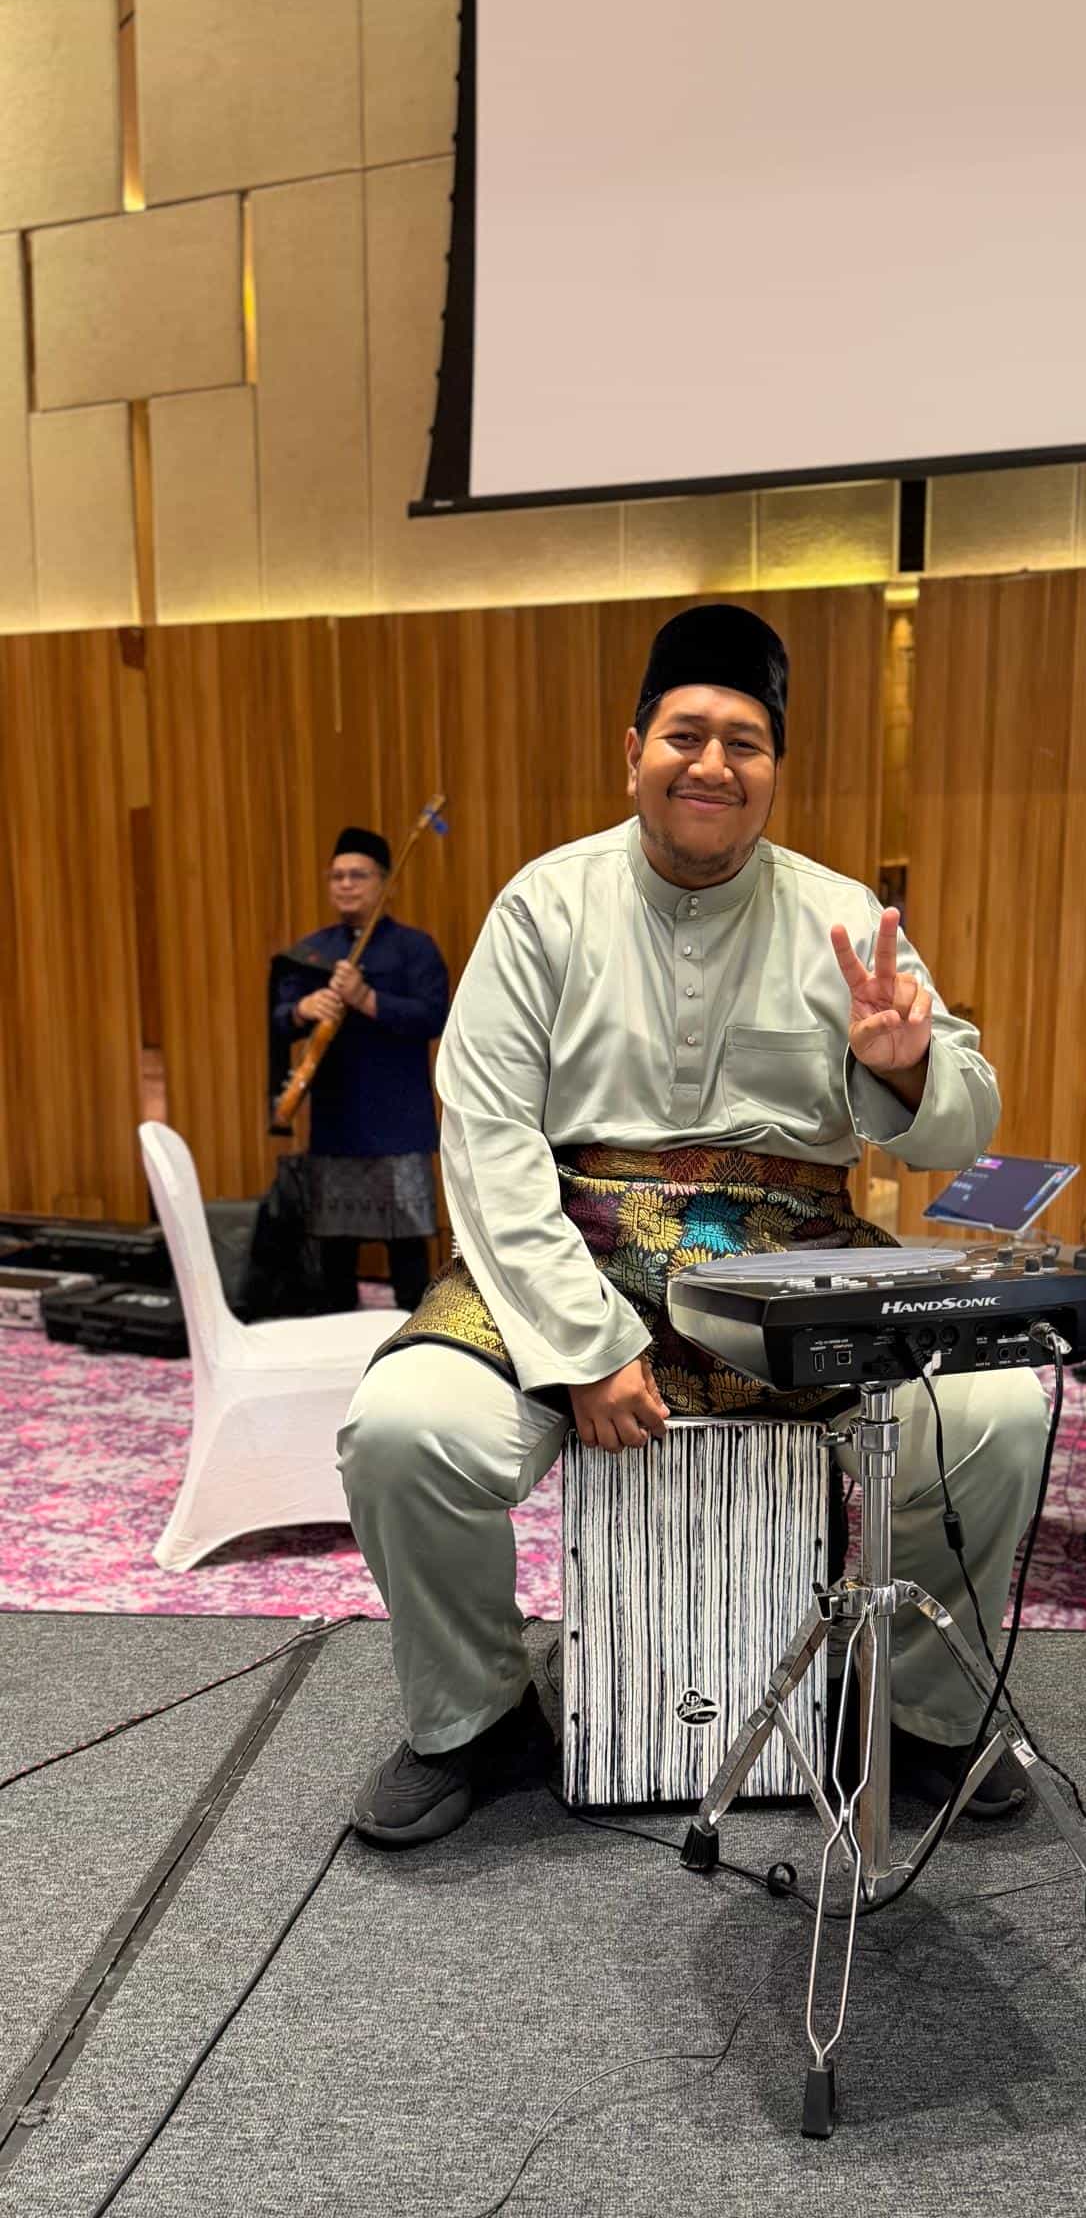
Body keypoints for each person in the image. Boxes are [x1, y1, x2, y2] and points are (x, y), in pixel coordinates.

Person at [339, 606, 1047, 1848]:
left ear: (776, 768)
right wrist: (581, 1341)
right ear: (634, 752)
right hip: (575, 1244)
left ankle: (919, 1714)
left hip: (793, 1261)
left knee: (994, 1415)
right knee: (405, 1430)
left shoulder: (842, 916)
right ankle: (474, 1717)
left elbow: (963, 1123)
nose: (713, 764)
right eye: (685, 734)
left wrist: (907, 1060)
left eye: (745, 742)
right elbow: (489, 1140)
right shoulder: (544, 906)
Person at [271, 827, 450, 1315]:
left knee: (408, 1254)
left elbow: (434, 1016)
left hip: (398, 1124)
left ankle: (415, 1341)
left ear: (385, 884)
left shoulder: (414, 948)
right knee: (334, 1256)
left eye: (358, 875)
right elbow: (277, 1020)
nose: (346, 885)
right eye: (338, 877)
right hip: (336, 1124)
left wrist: (367, 999)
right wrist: (303, 1008)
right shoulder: (311, 951)